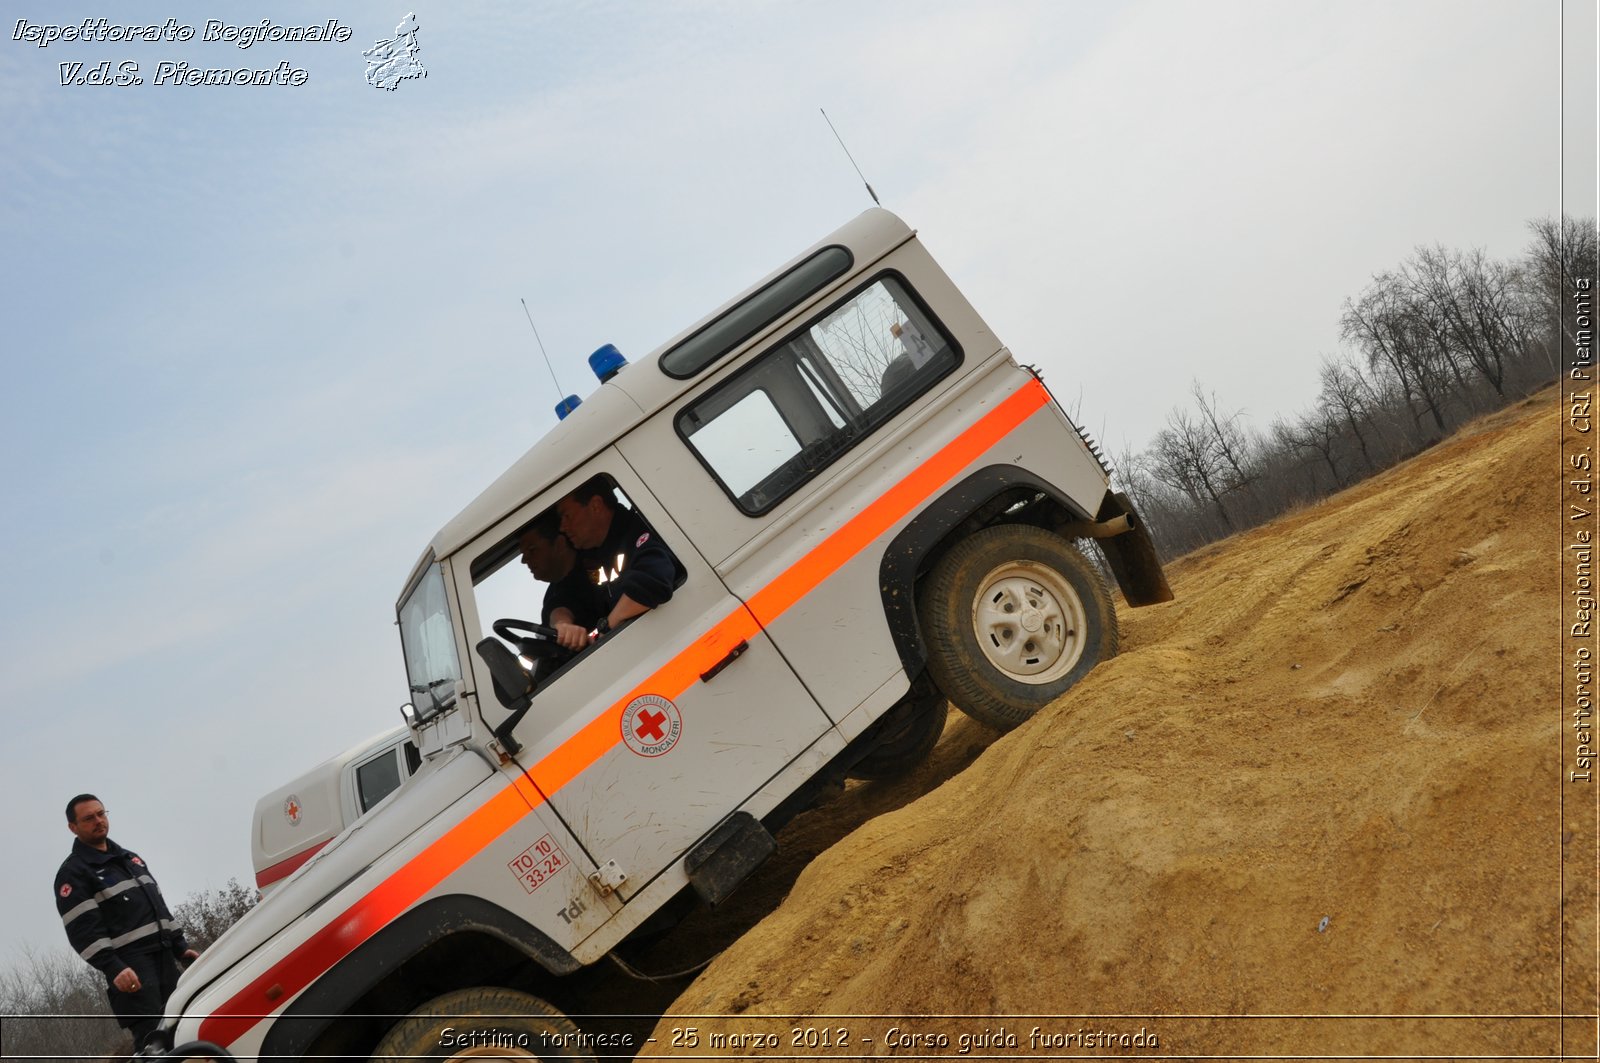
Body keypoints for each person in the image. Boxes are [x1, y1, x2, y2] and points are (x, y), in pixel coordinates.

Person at [54, 795, 198, 1052]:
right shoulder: (73, 873)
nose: (98, 821)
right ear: (73, 827)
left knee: (185, 1031)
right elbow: (82, 930)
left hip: (165, 958)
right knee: (155, 1044)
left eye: (101, 813)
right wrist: (113, 967)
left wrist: (180, 946)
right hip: (132, 969)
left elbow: (158, 906)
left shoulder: (131, 860)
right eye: (89, 818)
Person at [556, 475, 684, 638]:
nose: (562, 527)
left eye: (567, 516)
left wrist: (607, 630)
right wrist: (562, 624)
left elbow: (653, 580)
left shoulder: (639, 531)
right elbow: (566, 595)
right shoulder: (592, 555)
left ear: (595, 506)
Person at [517, 510, 603, 652]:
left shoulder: (595, 566)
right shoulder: (553, 592)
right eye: (523, 554)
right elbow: (558, 605)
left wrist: (563, 625)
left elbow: (564, 606)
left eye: (532, 550)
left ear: (560, 544)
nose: (524, 560)